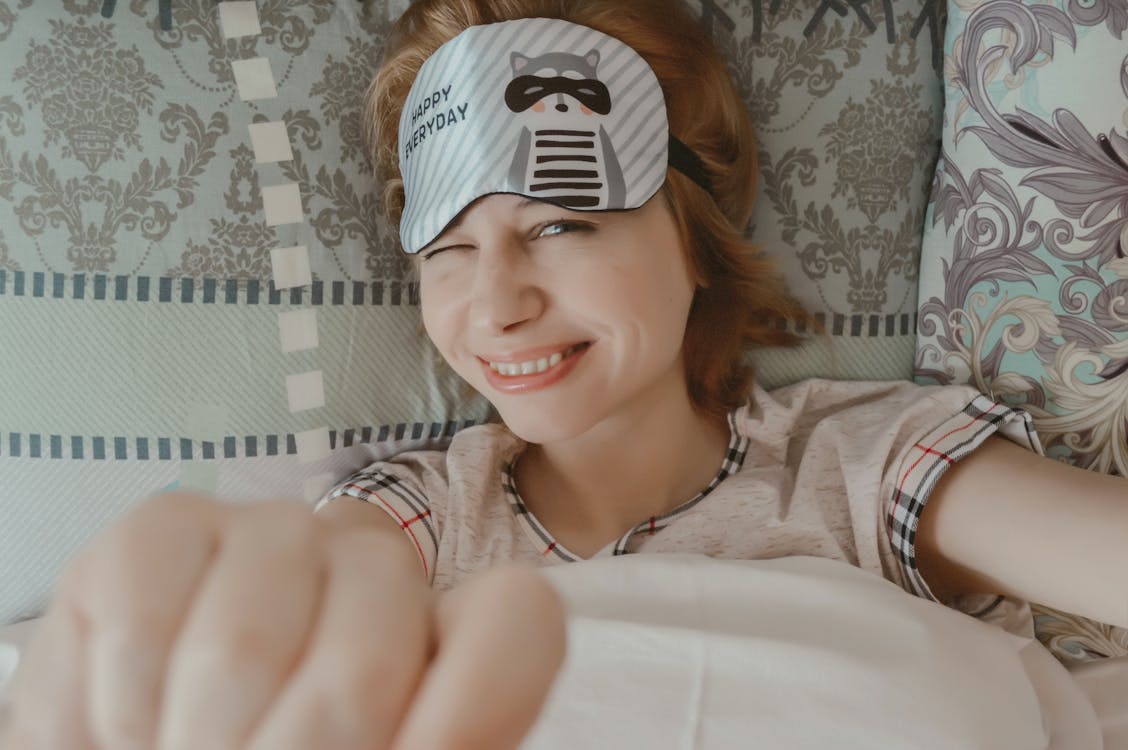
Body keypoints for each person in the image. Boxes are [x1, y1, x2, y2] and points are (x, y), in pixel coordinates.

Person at [3, 0, 1127, 748]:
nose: (496, 304)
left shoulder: (865, 461)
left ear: (694, 239)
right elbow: (312, 596)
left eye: (560, 225)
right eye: (447, 251)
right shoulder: (429, 511)